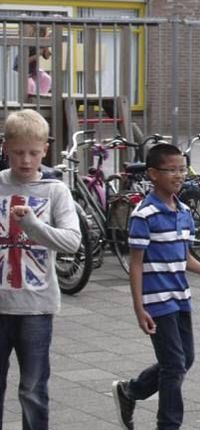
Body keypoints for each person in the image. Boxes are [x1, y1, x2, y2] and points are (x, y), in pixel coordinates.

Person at [113, 143, 200, 430]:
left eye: (182, 169)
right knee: (174, 365)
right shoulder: (144, 215)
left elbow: (184, 257)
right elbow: (136, 264)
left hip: (180, 298)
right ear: (153, 174)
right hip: (156, 301)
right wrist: (139, 308)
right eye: (171, 170)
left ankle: (131, 391)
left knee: (184, 359)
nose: (178, 175)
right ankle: (168, 425)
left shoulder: (185, 212)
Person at [0, 110, 81, 430]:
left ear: (45, 149)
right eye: (18, 152)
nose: (25, 160)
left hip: (37, 306)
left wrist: (32, 224)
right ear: (6, 147)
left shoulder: (55, 191)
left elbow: (72, 242)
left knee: (33, 388)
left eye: (33, 153)